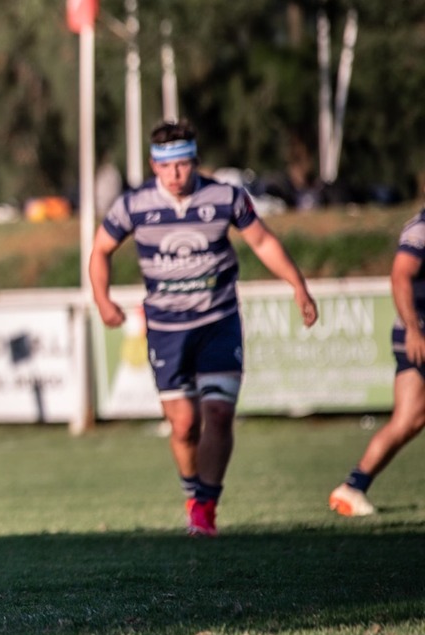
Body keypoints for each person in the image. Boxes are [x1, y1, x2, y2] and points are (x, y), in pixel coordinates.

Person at [89, 121, 318, 535]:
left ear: (195, 161)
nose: (176, 174)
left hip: (218, 321)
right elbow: (101, 249)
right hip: (166, 328)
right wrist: (102, 299)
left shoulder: (226, 196)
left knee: (218, 412)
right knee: (184, 425)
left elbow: (262, 241)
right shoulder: (134, 205)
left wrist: (298, 285)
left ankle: (206, 507)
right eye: (167, 166)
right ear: (153, 167)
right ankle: (193, 491)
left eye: (183, 164)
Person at [328, 207, 424, 517]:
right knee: (408, 419)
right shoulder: (421, 228)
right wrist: (413, 330)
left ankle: (353, 487)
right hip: (419, 333)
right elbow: (400, 275)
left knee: (409, 420)